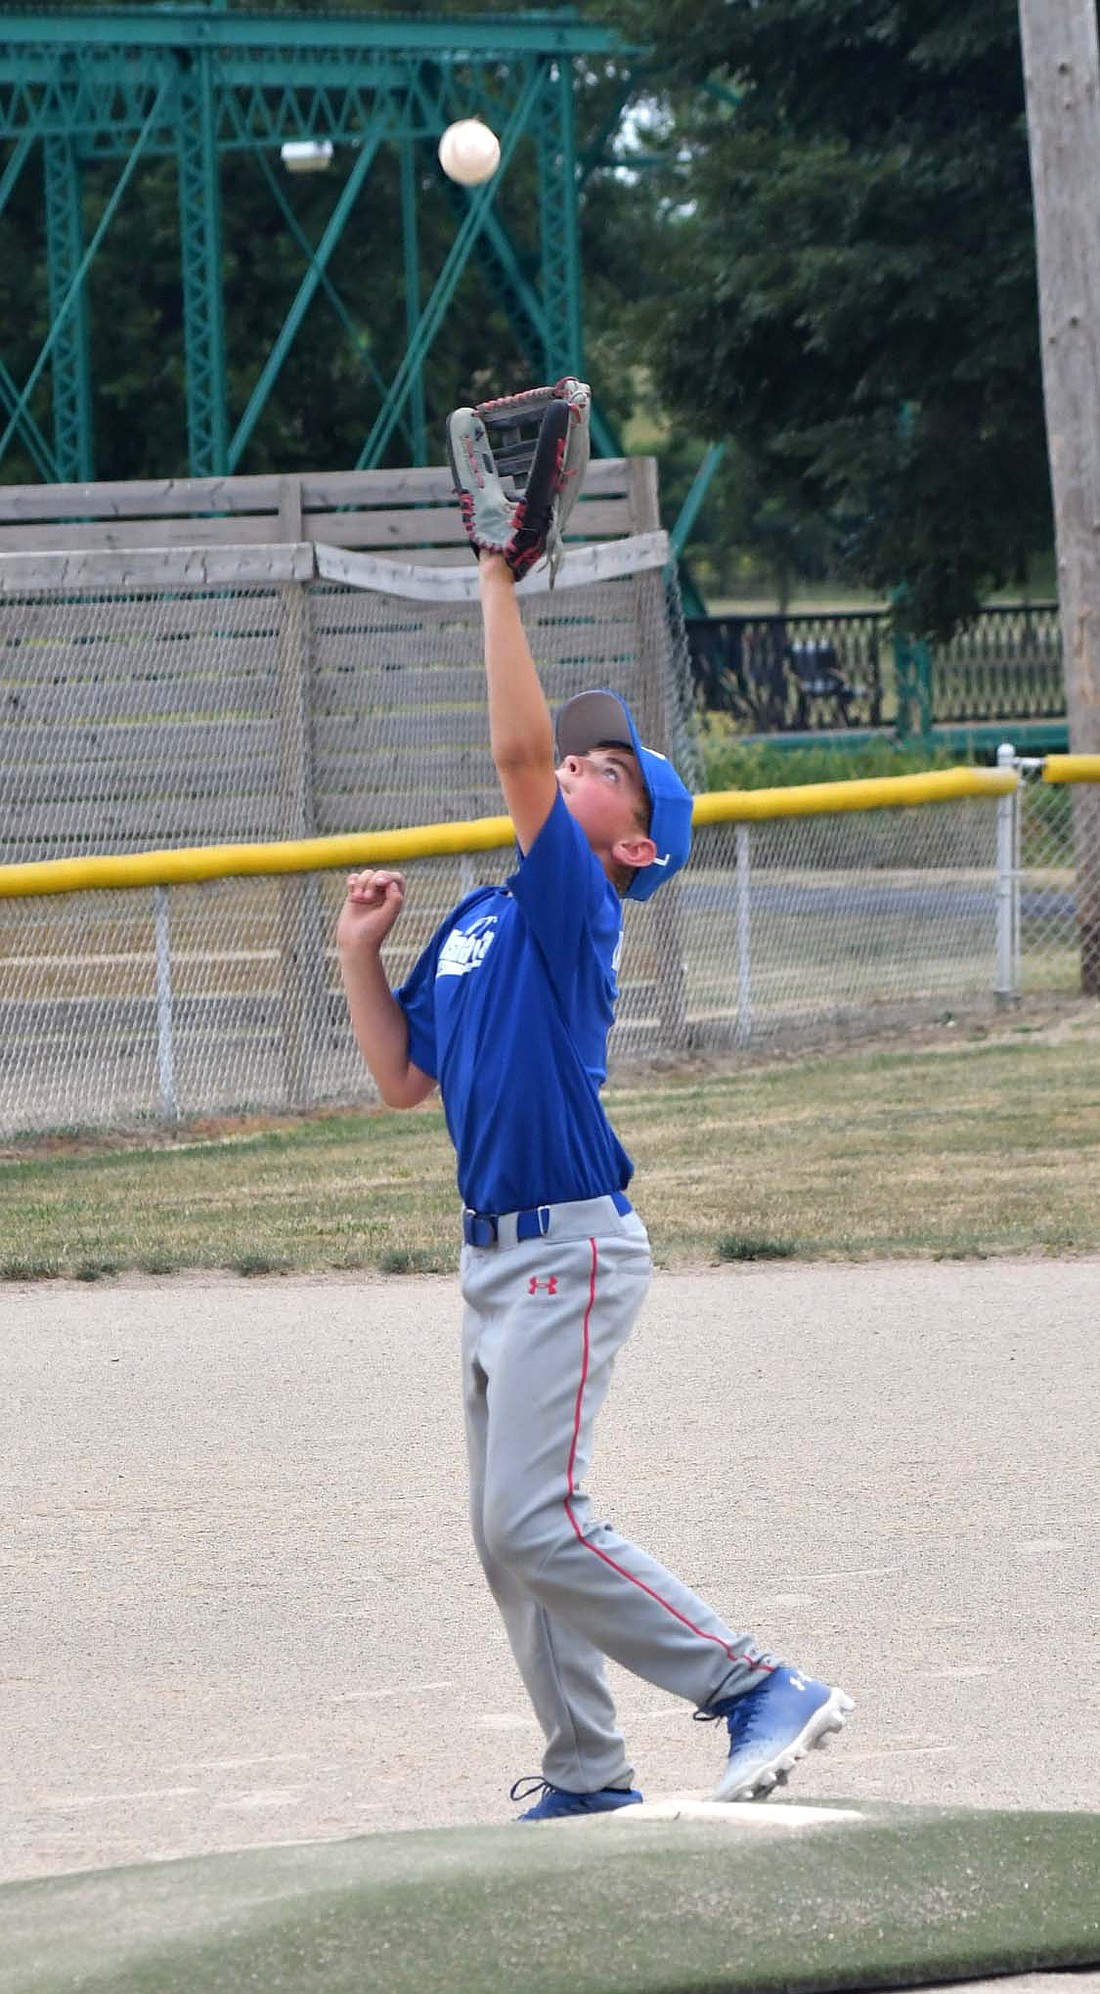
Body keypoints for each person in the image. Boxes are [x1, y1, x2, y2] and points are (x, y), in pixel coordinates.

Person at [337, 387, 853, 1820]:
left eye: (605, 766)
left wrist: (494, 573)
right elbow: (399, 1077)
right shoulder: (484, 919)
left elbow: (512, 762)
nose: (574, 760)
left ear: (633, 842)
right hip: (493, 1255)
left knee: (534, 1517)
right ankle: (587, 1769)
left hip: (569, 1244)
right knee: (508, 1541)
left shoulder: (577, 902)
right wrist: (358, 958)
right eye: (580, 750)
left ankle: (758, 1684)